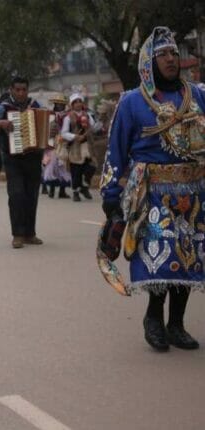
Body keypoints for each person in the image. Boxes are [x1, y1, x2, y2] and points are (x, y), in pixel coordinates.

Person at [100, 26, 205, 352]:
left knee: (189, 259)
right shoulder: (132, 102)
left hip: (194, 192)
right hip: (153, 194)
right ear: (149, 60)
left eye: (175, 53)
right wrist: (110, 196)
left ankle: (176, 324)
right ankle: (153, 318)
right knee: (161, 257)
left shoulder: (197, 95)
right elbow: (115, 150)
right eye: (164, 54)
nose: (172, 59)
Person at [0, 77, 44, 248]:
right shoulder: (3, 108)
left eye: (24, 89)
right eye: (17, 89)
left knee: (32, 196)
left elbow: (47, 128)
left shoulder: (36, 105)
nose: (21, 93)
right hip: (13, 159)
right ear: (11, 90)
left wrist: (51, 129)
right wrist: (0, 123)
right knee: (17, 195)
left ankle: (30, 234)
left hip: (33, 157)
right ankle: (18, 234)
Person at [62, 93, 99, 202]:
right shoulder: (68, 117)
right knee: (76, 170)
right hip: (75, 147)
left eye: (80, 101)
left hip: (87, 146)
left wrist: (101, 121)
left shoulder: (87, 115)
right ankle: (76, 192)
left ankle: (85, 186)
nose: (78, 104)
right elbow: (64, 133)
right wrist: (74, 136)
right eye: (75, 102)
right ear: (72, 104)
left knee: (92, 166)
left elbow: (94, 128)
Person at [42, 95, 71, 199]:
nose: (59, 105)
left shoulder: (67, 116)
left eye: (61, 103)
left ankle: (62, 191)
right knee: (51, 165)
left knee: (63, 166)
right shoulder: (50, 114)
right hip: (51, 143)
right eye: (57, 103)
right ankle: (51, 190)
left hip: (63, 142)